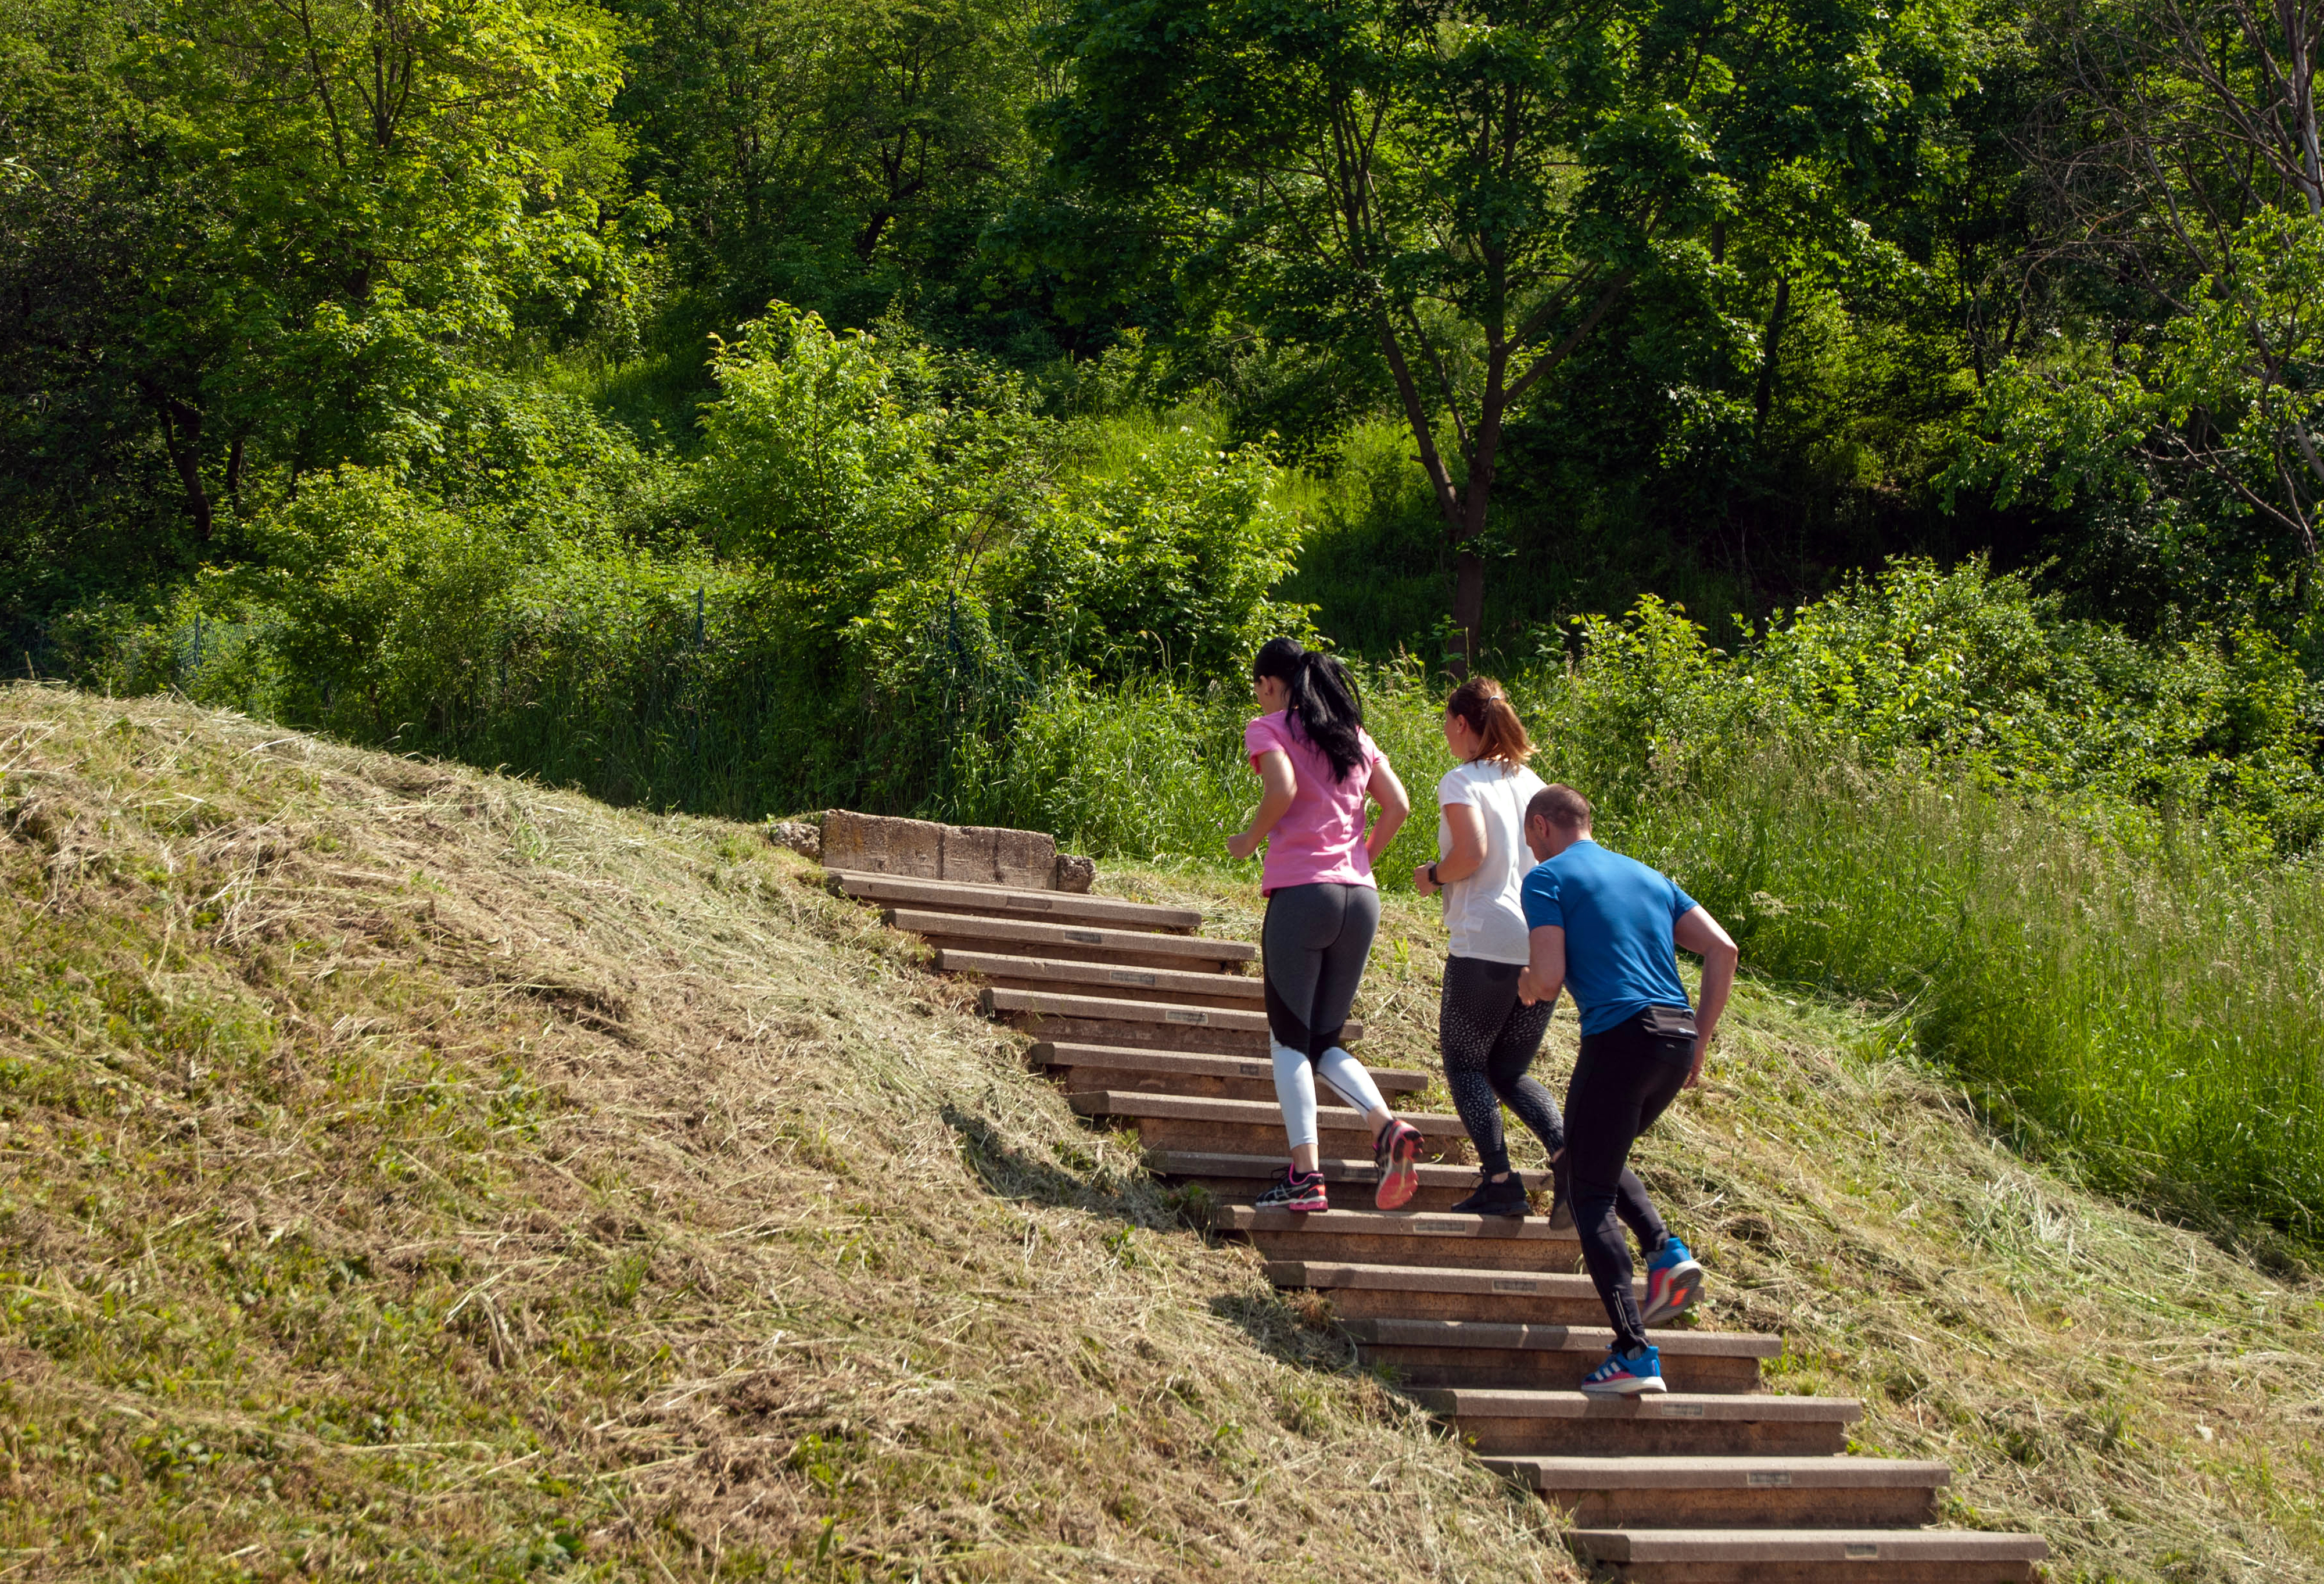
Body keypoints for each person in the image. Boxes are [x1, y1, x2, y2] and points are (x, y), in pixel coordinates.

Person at [1517, 784, 1738, 1397]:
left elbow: (1551, 973)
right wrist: (1700, 1041)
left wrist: (1528, 985)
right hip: (1672, 1039)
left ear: (1541, 826)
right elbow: (1723, 948)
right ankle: (1664, 1253)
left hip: (1619, 1036)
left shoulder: (1548, 879)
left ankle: (1634, 1350)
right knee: (1594, 1154)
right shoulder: (1648, 875)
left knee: (1587, 1192)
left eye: (1528, 837)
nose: (1530, 849)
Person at [1226, 637, 1428, 1213]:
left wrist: (1250, 838)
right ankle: (1387, 1127)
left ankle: (1306, 1175)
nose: (1258, 697)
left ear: (1269, 682)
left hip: (1301, 894)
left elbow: (1283, 787)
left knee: (1290, 1039)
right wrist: (1362, 854)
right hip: (1359, 898)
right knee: (1324, 1040)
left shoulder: (1267, 727)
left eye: (1258, 686)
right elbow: (1400, 805)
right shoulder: (1354, 735)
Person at [1411, 678, 1563, 1217]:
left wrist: (1433, 874)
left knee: (1466, 1064)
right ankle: (1568, 1162)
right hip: (1543, 944)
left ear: (1460, 724)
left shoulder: (1461, 781)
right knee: (1509, 1070)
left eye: (1447, 726)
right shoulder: (1535, 783)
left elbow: (1471, 853)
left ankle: (1500, 1177)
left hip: (1486, 943)